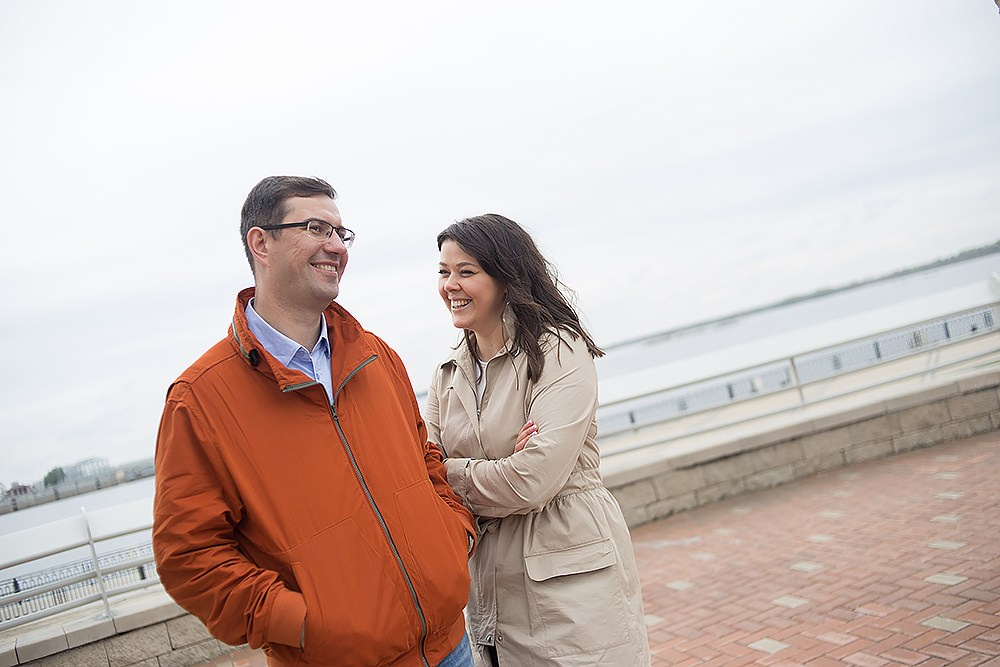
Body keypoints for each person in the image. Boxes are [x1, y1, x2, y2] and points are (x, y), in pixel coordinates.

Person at [152, 176, 477, 667]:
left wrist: (453, 537)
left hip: (452, 646)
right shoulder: (198, 399)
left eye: (341, 233)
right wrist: (302, 622)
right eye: (315, 227)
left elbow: (426, 460)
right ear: (261, 242)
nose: (336, 246)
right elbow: (188, 555)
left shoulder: (375, 356)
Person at [426, 214, 651, 666]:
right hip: (489, 593)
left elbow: (533, 480)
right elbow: (421, 479)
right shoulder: (447, 374)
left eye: (466, 271)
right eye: (444, 272)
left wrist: (455, 471)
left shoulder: (557, 350)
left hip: (567, 585)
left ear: (507, 276)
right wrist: (497, 467)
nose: (451, 284)